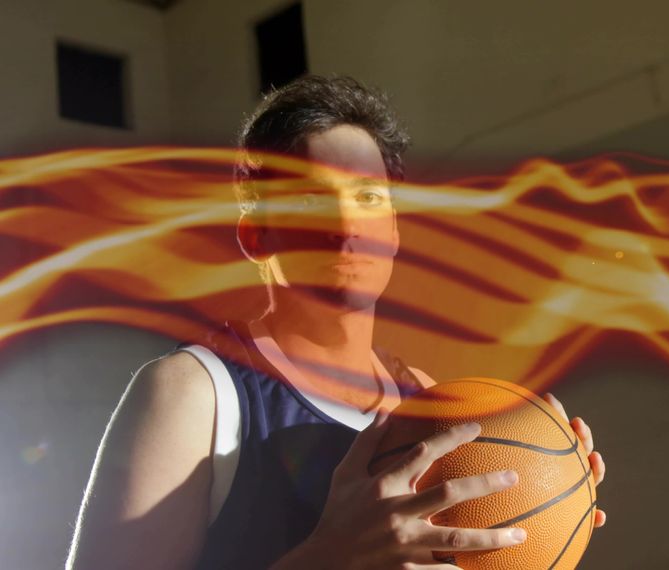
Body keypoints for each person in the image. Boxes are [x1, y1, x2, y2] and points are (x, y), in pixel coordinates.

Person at [66, 75, 606, 569]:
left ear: (393, 231)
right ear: (256, 236)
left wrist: (549, 500)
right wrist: (327, 558)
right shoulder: (194, 393)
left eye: (368, 198)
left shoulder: (426, 402)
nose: (348, 226)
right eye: (310, 199)